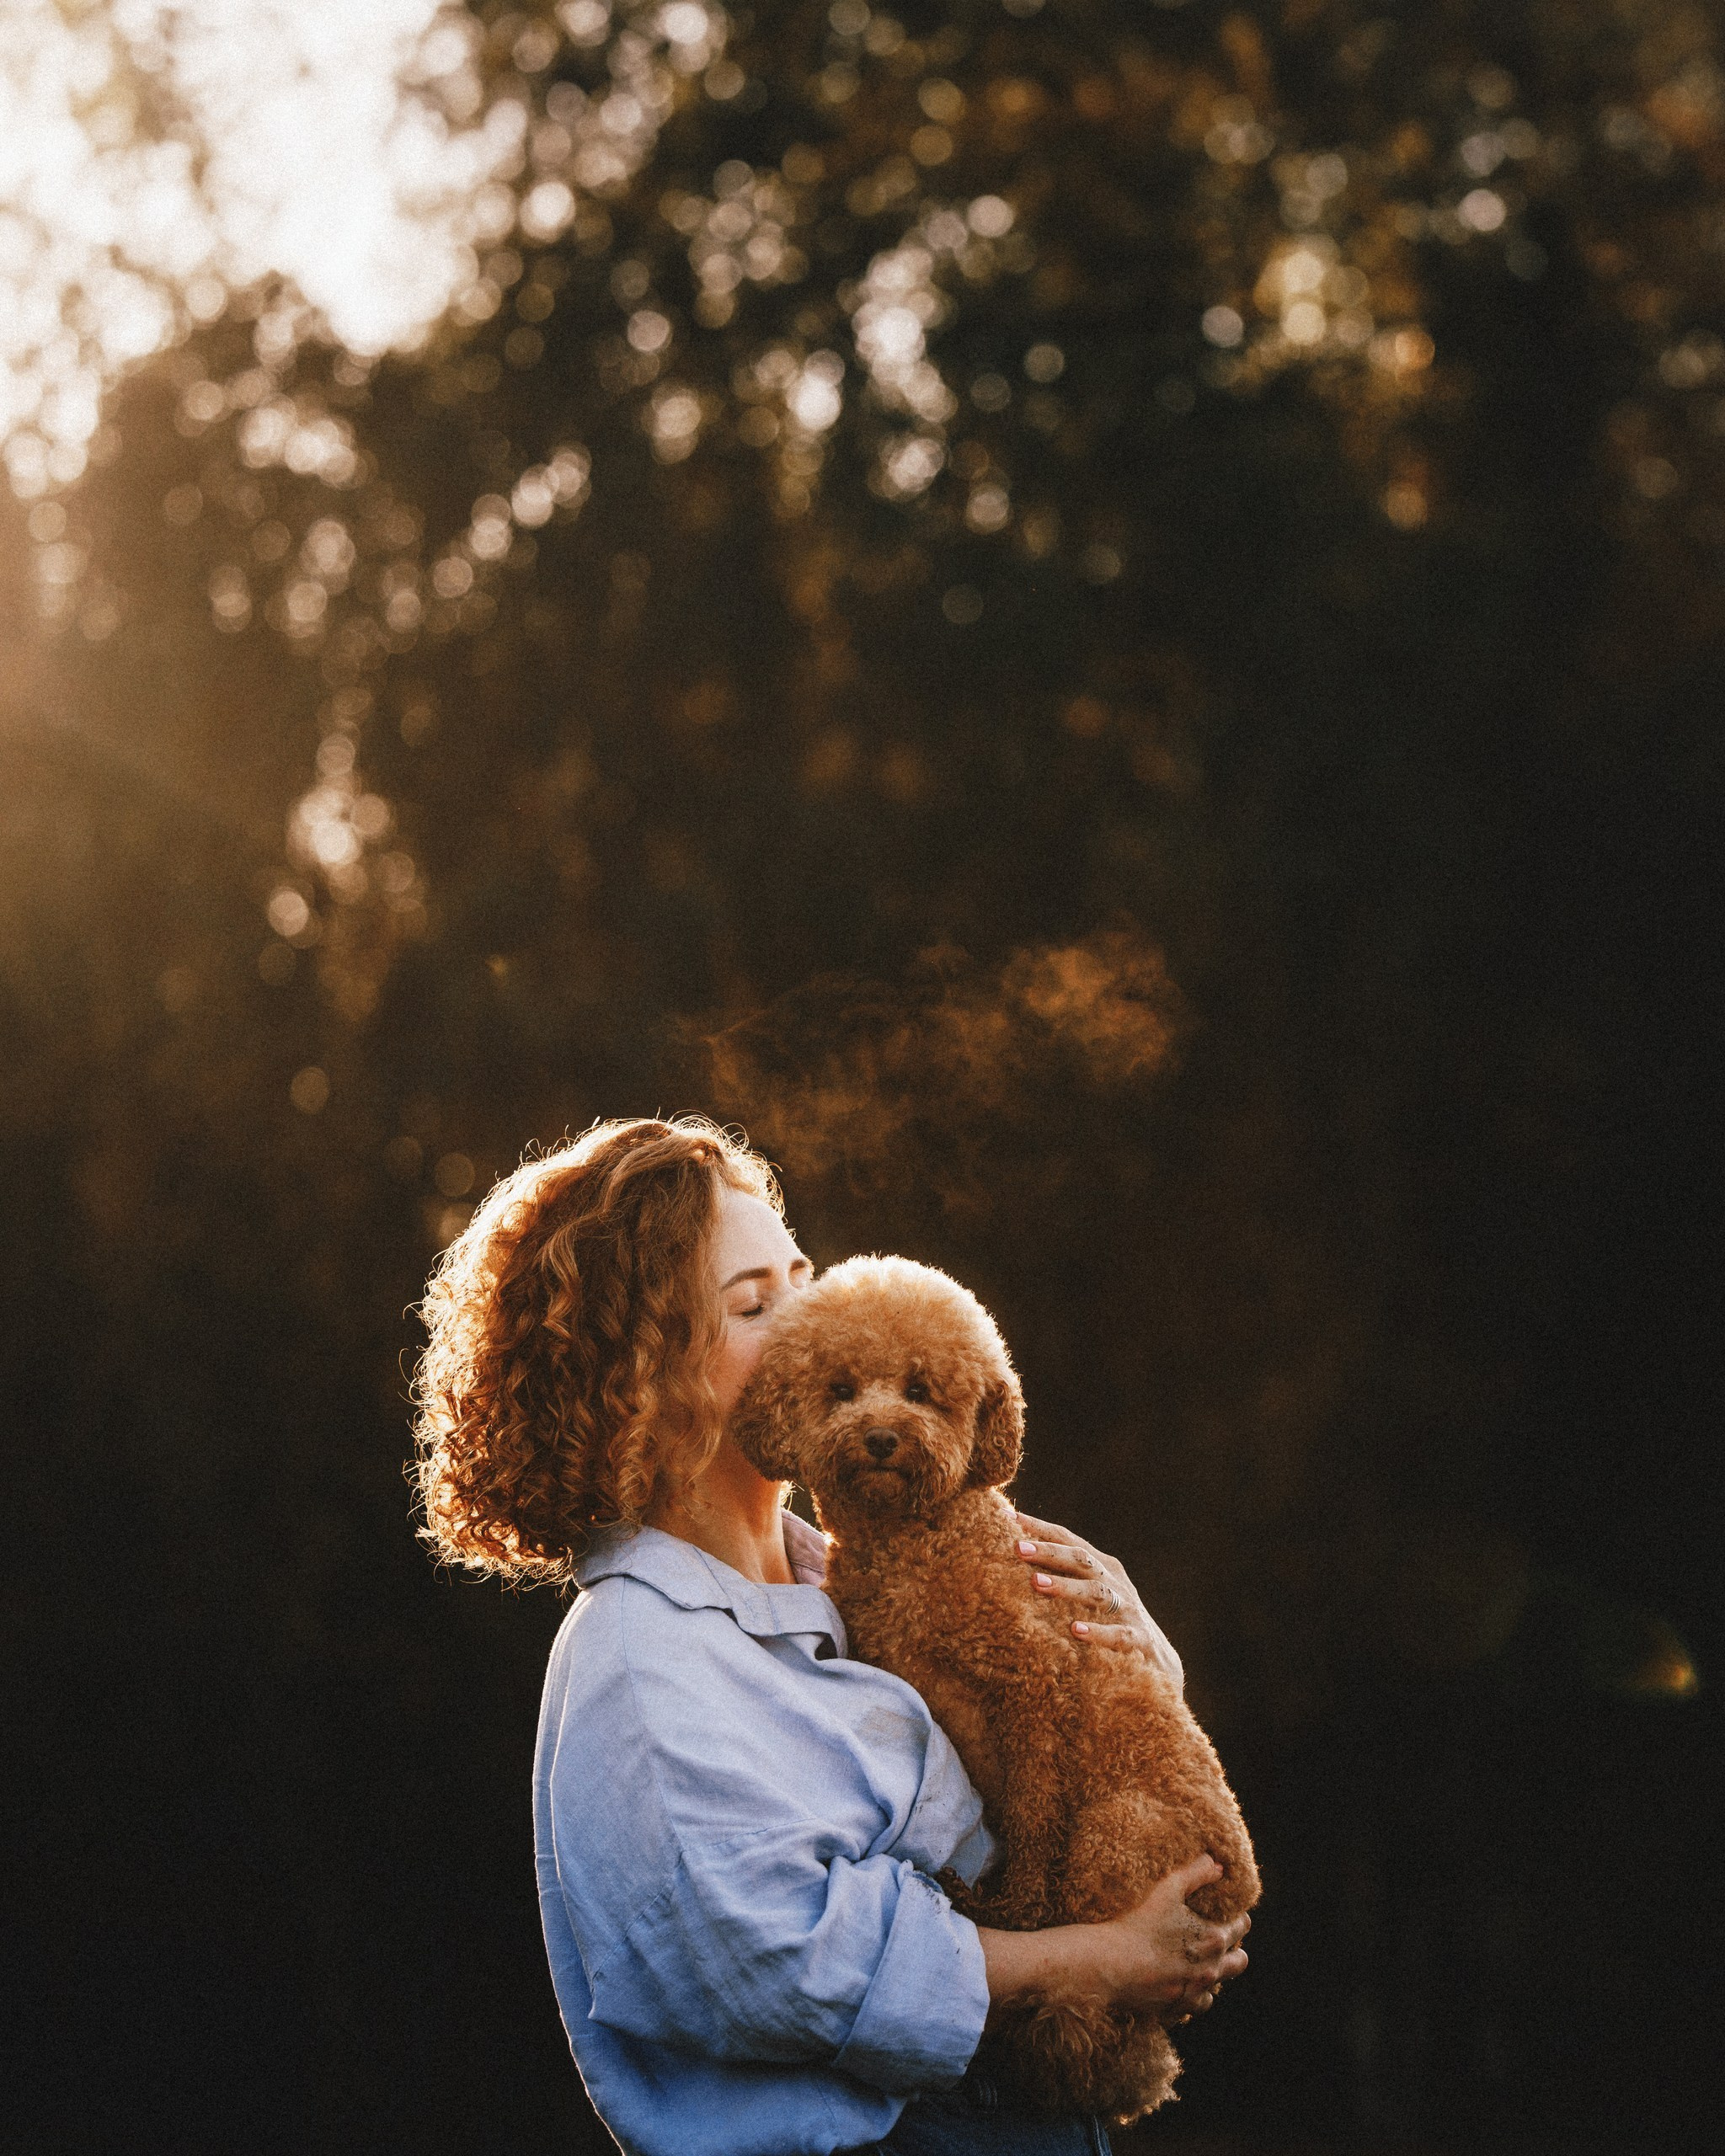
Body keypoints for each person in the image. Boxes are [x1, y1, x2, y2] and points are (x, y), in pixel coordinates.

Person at [414, 1118, 1250, 2156]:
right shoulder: (638, 1655)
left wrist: (1132, 1667)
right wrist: (1093, 1960)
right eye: (755, 1305)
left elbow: (1031, 1769)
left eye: (801, 1281)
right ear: (642, 1375)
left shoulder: (862, 1578)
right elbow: (774, 1964)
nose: (813, 1321)